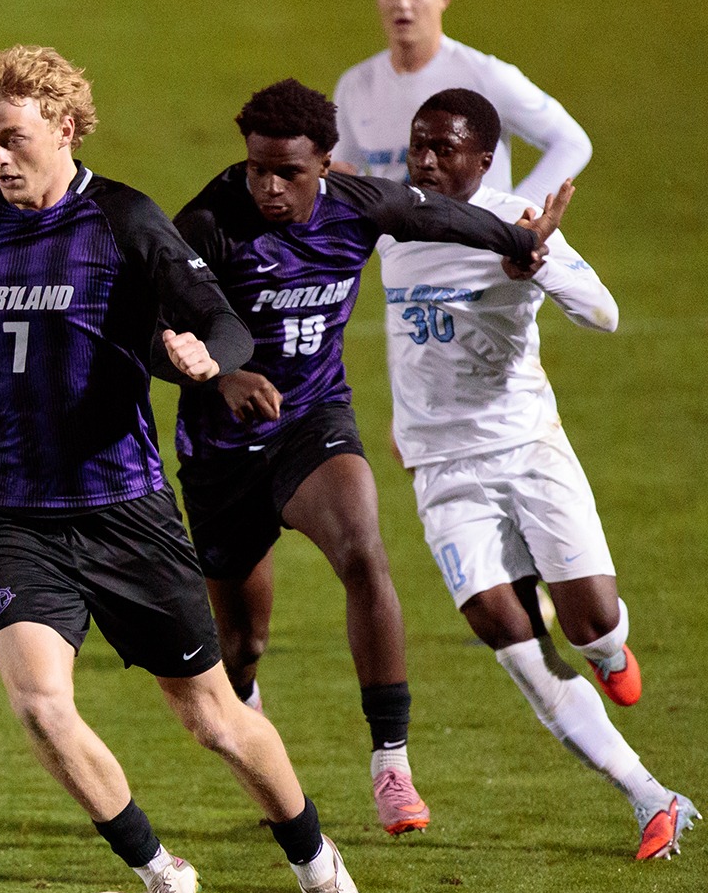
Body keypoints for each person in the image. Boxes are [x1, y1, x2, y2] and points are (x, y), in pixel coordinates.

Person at [0, 46, 375, 893]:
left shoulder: (125, 220)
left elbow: (220, 317)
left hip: (125, 510)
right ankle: (160, 871)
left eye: (12, 139)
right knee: (39, 703)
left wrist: (209, 362)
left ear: (63, 127)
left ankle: (316, 864)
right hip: (17, 508)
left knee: (214, 719)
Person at [169, 79, 567, 837]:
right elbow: (150, 334)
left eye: (289, 171)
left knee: (363, 552)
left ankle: (391, 765)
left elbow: (441, 215)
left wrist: (522, 240)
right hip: (221, 451)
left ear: (327, 161)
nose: (270, 187)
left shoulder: (359, 206)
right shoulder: (208, 227)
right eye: (257, 168)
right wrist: (220, 375)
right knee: (241, 644)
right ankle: (254, 732)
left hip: (312, 422)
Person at [380, 88, 695, 859]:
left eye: (442, 148)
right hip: (443, 468)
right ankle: (653, 797)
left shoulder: (516, 221)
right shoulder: (392, 222)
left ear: (482, 161)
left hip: (527, 449)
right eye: (417, 144)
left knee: (588, 621)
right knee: (507, 633)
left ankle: (611, 651)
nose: (424, 159)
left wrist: (538, 263)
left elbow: (605, 314)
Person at [332, 0, 590, 204]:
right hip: (401, 254)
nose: (402, 3)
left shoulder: (485, 76)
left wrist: (515, 212)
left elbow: (572, 143)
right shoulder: (355, 86)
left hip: (481, 253)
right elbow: (342, 170)